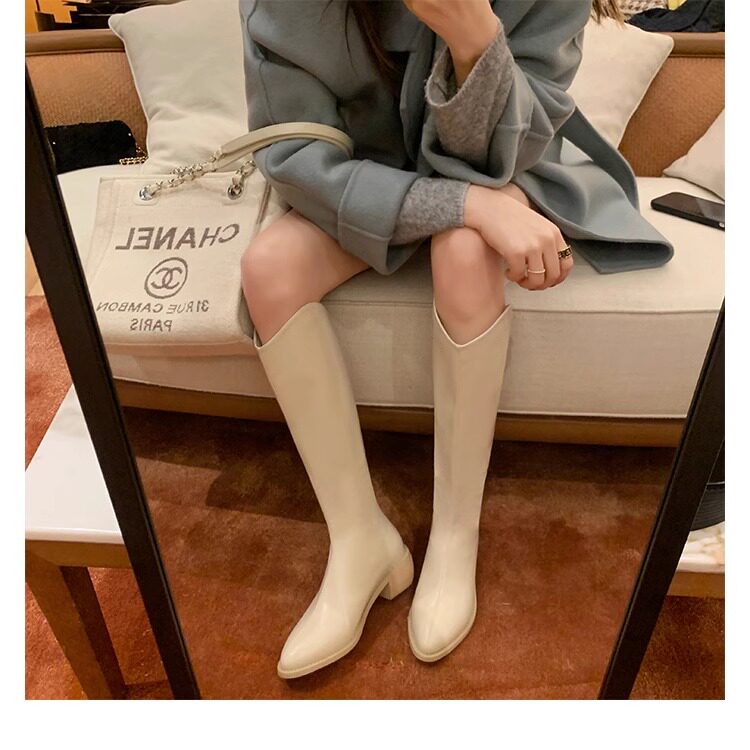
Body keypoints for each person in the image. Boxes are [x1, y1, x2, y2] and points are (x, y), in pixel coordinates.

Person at [238, 0, 673, 679]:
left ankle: (453, 535)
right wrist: (462, 205)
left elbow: (500, 158)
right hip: (365, 183)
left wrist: (472, 37)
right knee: (268, 268)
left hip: (505, 167)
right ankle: (359, 539)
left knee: (465, 254)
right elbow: (296, 161)